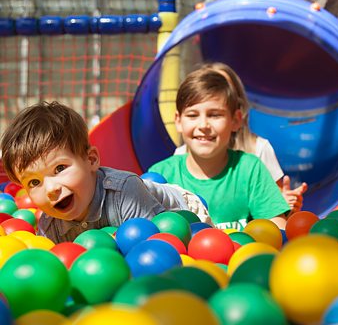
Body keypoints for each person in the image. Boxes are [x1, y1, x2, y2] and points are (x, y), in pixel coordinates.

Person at [0, 101, 211, 244]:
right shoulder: (50, 224)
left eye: (60, 169)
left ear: (91, 160)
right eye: (34, 182)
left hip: (183, 212)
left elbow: (155, 246)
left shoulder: (125, 192)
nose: (51, 188)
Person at [149, 66, 290, 230]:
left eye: (215, 115)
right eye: (192, 115)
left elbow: (278, 230)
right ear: (178, 121)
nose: (203, 125)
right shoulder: (162, 175)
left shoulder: (250, 169)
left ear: (235, 120)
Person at [175, 62, 307, 213]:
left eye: (215, 112)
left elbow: (275, 206)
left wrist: (286, 206)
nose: (204, 124)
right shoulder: (181, 156)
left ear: (236, 109)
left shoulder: (257, 151)